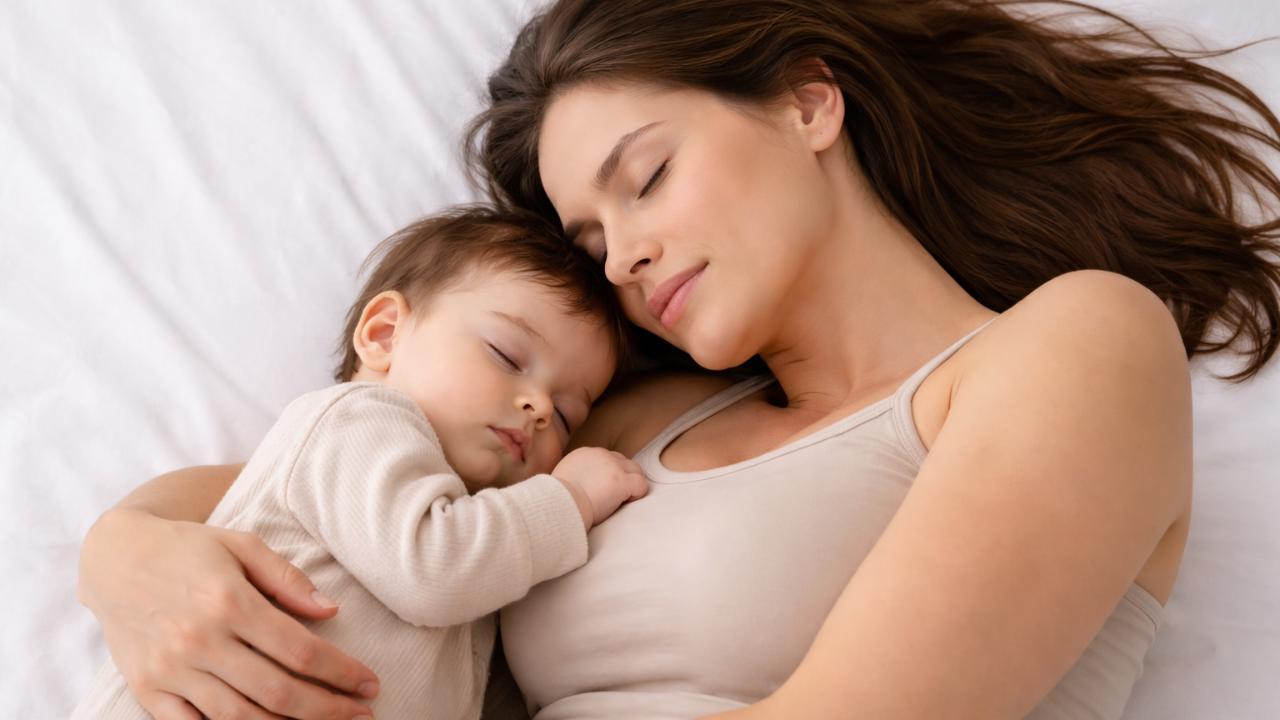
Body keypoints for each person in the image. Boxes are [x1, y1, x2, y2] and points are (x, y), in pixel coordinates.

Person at [77, 1, 1280, 719]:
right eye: (590, 242)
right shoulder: (607, 426)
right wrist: (125, 556)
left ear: (806, 105)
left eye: (645, 176)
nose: (624, 256)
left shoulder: (1074, 345)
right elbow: (323, 480)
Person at [74, 207, 646, 720]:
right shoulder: (358, 421)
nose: (539, 407)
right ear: (385, 334)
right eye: (506, 355)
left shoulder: (491, 548)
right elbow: (435, 571)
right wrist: (570, 499)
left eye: (567, 415)